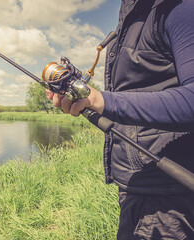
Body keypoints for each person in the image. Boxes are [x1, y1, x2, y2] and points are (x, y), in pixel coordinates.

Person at [50, 0, 194, 239]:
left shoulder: (179, 8)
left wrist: (100, 100)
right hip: (133, 185)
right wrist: (83, 100)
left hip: (168, 196)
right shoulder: (127, 25)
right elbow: (130, 103)